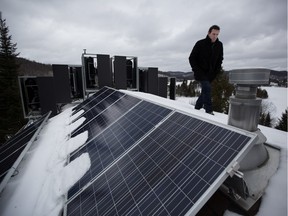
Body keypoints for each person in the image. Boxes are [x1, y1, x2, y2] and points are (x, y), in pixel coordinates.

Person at [189, 25, 223, 115]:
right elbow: (191, 58)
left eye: (217, 34)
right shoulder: (200, 43)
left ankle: (197, 106)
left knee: (205, 90)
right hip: (200, 72)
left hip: (211, 74)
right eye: (213, 34)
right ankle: (209, 110)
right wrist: (196, 70)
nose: (215, 36)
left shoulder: (219, 45)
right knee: (207, 88)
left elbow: (220, 59)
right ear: (209, 33)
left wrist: (216, 71)